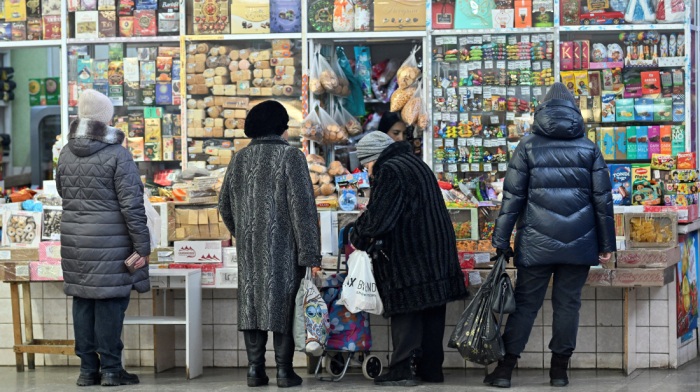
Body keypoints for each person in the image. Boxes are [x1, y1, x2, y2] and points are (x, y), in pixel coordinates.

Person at [486, 83, 616, 388]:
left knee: (525, 305)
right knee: (568, 305)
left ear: (542, 110)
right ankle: (559, 372)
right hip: (580, 244)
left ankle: (504, 371)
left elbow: (512, 199)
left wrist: (501, 242)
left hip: (535, 243)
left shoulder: (527, 146)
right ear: (574, 112)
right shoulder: (589, 148)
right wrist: (607, 244)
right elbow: (603, 201)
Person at [350, 131, 468, 387]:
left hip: (412, 254)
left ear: (374, 158)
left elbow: (380, 218)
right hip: (436, 251)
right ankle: (432, 369)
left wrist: (356, 235)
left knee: (407, 306)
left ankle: (403, 368)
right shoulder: (415, 162)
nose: (367, 172)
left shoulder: (390, 170)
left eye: (366, 165)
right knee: (433, 307)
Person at [218, 100, 321, 388]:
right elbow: (303, 209)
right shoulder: (291, 157)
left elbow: (224, 205)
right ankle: (285, 372)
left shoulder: (239, 159)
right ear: (281, 127)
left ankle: (255, 370)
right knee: (284, 304)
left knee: (252, 304)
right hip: (284, 249)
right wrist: (310, 253)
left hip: (250, 249)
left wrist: (244, 233)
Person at [56, 89, 150, 387]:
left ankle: (87, 370)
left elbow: (62, 192)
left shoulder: (65, 151)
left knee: (83, 302)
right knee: (110, 302)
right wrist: (142, 245)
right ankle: (111, 369)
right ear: (105, 119)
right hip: (111, 243)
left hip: (75, 242)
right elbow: (132, 205)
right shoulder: (118, 154)